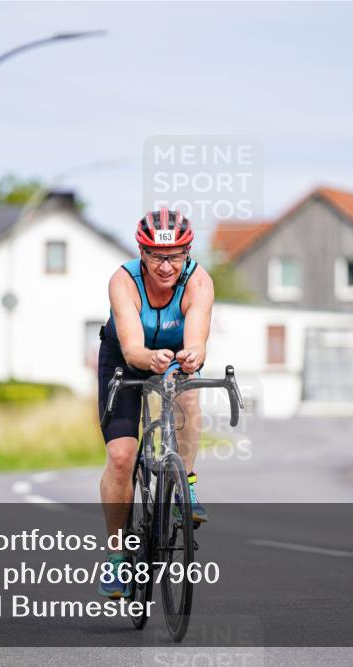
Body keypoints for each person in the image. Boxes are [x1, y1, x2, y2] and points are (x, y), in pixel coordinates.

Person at [96, 207, 214, 599]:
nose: (166, 266)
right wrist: (150, 358)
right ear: (142, 253)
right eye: (156, 256)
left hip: (174, 356)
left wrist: (192, 356)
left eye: (176, 256)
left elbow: (195, 341)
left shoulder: (198, 281)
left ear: (188, 253)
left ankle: (187, 486)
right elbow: (132, 349)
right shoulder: (123, 281)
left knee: (190, 396)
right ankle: (116, 558)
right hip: (124, 359)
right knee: (121, 456)